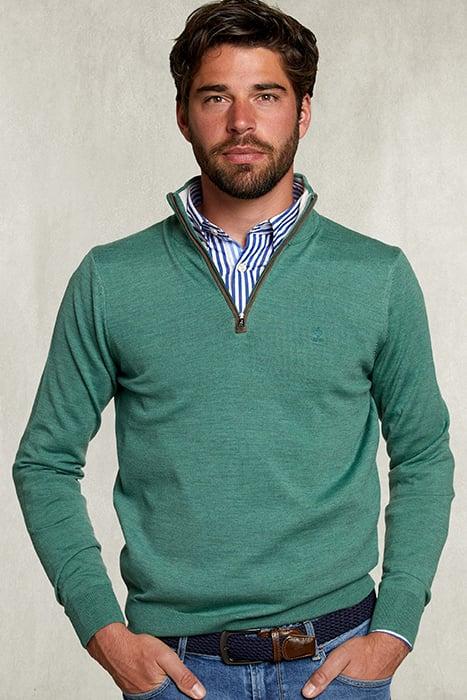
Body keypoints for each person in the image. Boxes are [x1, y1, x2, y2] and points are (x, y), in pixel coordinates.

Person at [12, 0, 455, 698]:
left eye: (266, 96)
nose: (241, 121)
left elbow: (424, 455)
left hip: (337, 663)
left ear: (303, 113)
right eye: (215, 97)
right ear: (183, 115)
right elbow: (44, 462)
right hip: (175, 671)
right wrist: (103, 632)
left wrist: (395, 627)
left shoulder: (377, 276)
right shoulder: (111, 278)